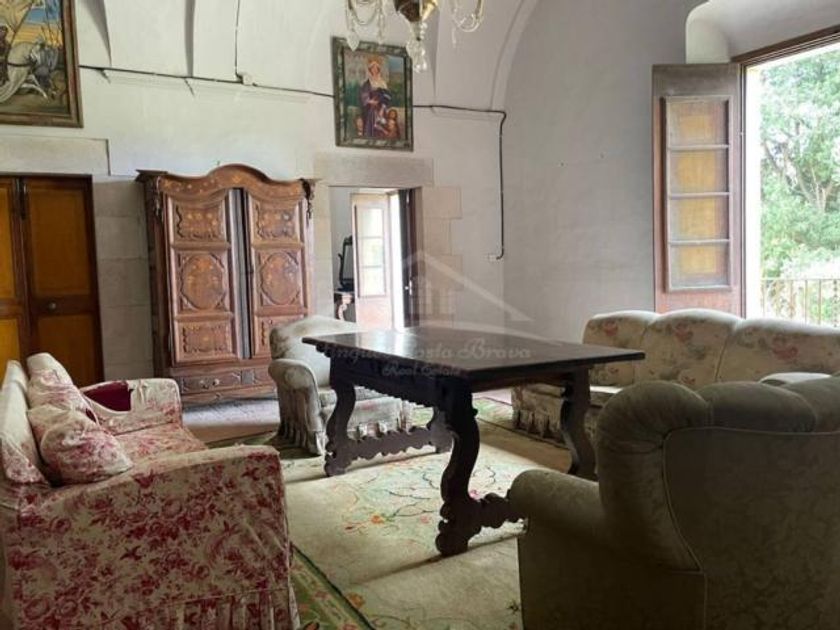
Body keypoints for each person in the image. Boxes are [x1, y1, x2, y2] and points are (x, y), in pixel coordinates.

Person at [359, 57, 391, 137]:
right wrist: (370, 101)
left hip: (381, 108)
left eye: (376, 68)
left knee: (381, 126)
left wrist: (382, 107)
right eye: (373, 68)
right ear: (370, 70)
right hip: (370, 108)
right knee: (371, 126)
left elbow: (387, 96)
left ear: (378, 70)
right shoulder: (367, 82)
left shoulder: (382, 82)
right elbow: (363, 95)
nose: (374, 70)